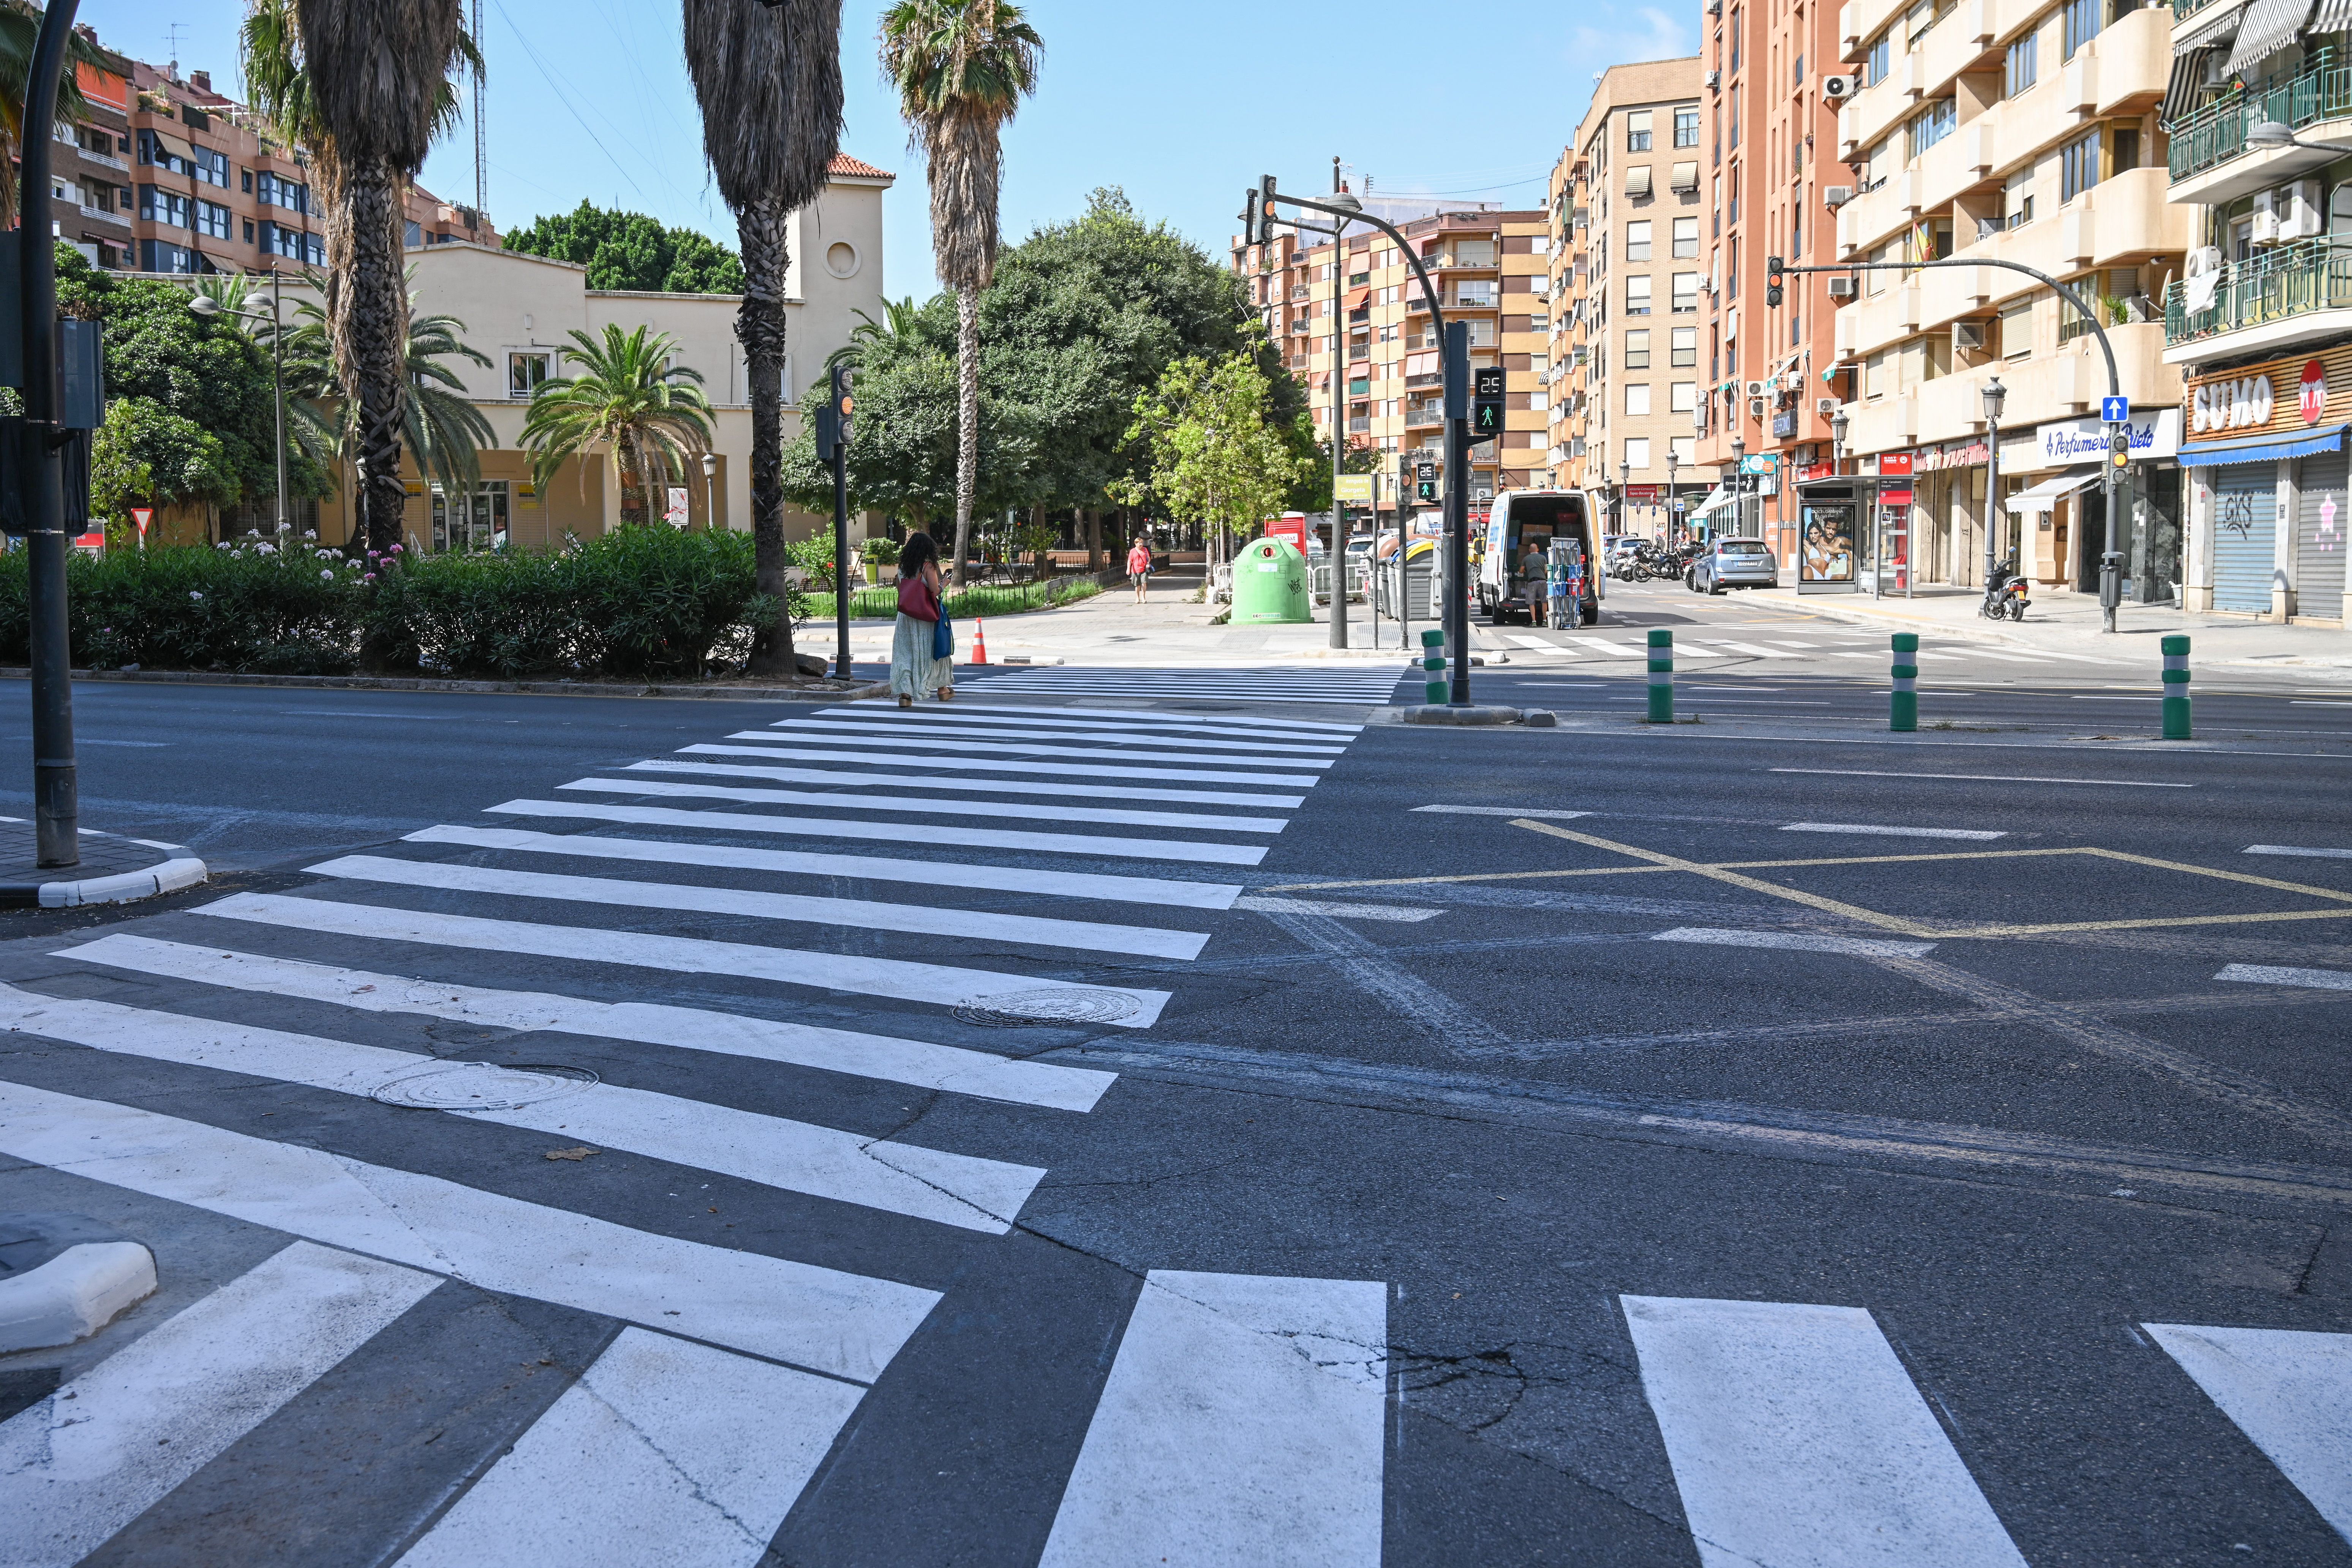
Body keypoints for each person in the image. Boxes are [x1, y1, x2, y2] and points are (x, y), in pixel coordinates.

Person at [890, 530, 954, 707]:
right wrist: (946, 582)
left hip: (905, 616)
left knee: (905, 654)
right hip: (924, 617)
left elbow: (900, 590)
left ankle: (905, 695)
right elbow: (935, 591)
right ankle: (942, 689)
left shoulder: (903, 567)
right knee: (932, 650)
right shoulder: (928, 566)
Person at [1127, 534, 1153, 604]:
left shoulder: (1145, 550)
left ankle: (1144, 598)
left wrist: (1148, 563)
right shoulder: (1132, 551)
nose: (1141, 544)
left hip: (1144, 570)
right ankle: (1138, 598)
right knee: (1138, 585)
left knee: (1144, 583)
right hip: (1135, 570)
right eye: (1140, 543)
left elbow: (1149, 558)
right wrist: (1128, 569)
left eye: (1142, 543)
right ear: (1136, 544)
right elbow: (1130, 561)